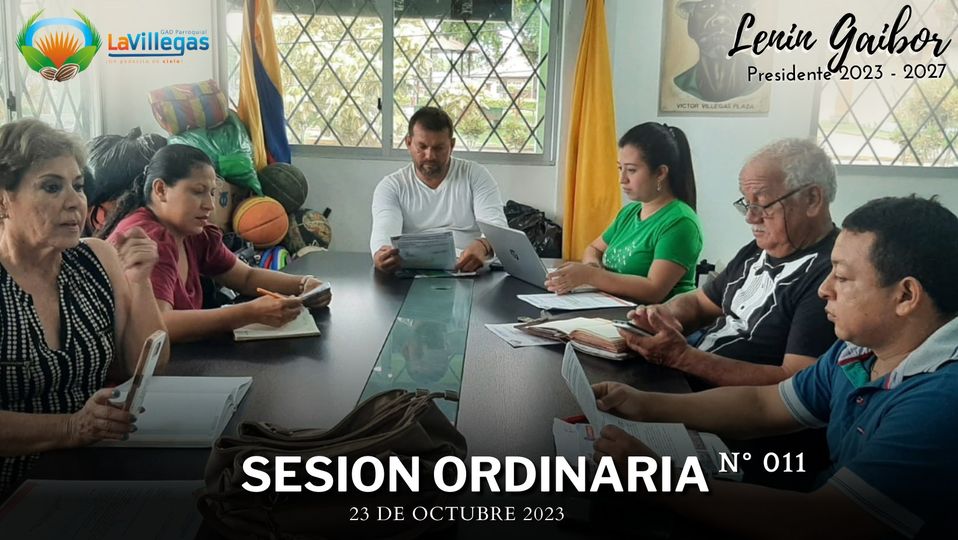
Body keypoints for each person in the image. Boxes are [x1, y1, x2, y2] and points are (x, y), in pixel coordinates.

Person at [593, 196, 958, 538]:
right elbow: (765, 404)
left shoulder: (940, 401)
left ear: (906, 296)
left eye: (843, 278)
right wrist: (643, 403)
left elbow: (826, 522)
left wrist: (661, 481)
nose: (824, 289)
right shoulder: (859, 350)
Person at [0, 119, 169, 498]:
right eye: (51, 186)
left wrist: (140, 282)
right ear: (3, 200)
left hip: (91, 471)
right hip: (12, 491)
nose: (75, 201)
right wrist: (70, 427)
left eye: (77, 185)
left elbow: (147, 367)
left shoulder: (96, 259)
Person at [621, 138, 838, 387]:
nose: (750, 217)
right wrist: (661, 316)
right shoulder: (759, 249)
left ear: (812, 199)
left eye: (761, 204)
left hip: (724, 402)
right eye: (747, 203)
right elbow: (699, 303)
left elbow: (796, 382)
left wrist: (681, 357)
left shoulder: (831, 275)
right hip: (687, 375)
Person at [99, 144, 331, 343]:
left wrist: (304, 284)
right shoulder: (147, 239)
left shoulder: (192, 231)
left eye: (211, 193)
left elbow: (245, 277)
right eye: (198, 192)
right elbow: (159, 326)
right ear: (160, 190)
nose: (209, 205)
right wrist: (248, 313)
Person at [545, 122, 702, 302]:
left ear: (660, 173)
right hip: (610, 307)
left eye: (632, 170)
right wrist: (592, 266)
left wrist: (590, 276)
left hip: (653, 316)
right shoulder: (630, 212)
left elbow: (654, 290)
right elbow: (594, 248)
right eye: (621, 168)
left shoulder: (681, 223)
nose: (622, 179)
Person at [370, 107, 508, 273]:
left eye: (438, 148)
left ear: (452, 145)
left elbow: (497, 228)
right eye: (422, 146)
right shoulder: (391, 186)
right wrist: (381, 255)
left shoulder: (475, 175)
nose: (430, 156)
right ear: (408, 143)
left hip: (470, 272)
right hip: (412, 272)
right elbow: (384, 232)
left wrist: (483, 245)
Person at [673, 0, 763, 102]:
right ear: (691, 25)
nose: (722, 18)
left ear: (750, 26)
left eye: (736, 6)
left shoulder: (758, 81)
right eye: (707, 6)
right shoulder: (681, 83)